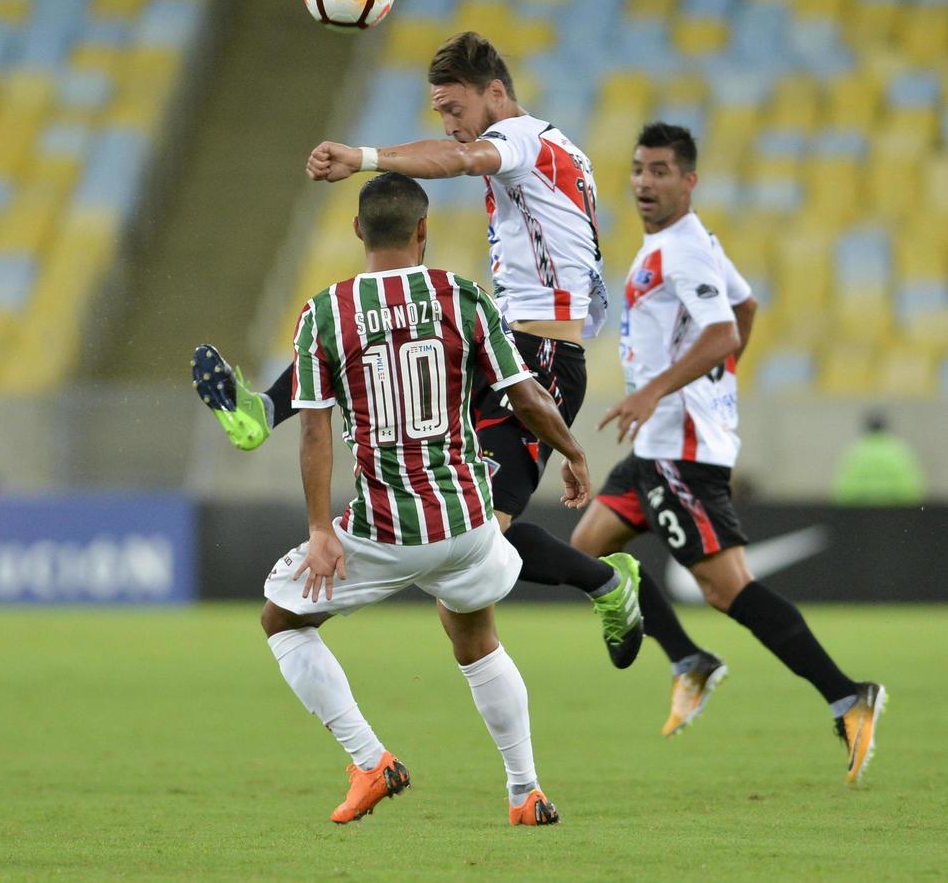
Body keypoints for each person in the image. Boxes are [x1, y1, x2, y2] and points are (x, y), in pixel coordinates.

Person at [196, 32, 643, 667]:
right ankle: (263, 410)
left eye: (454, 109)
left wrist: (366, 156)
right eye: (440, 111)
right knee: (385, 326)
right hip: (515, 338)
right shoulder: (549, 150)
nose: (449, 125)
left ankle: (607, 582)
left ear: (495, 94)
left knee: (478, 530)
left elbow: (459, 162)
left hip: (543, 358)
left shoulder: (525, 141)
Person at [260, 172, 596, 827]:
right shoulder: (461, 296)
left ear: (359, 231)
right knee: (474, 634)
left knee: (281, 620)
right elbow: (526, 394)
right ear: (423, 230)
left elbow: (313, 430)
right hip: (470, 517)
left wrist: (321, 528)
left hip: (385, 526)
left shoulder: (324, 312)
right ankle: (525, 792)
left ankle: (369, 760)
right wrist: (575, 453)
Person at [568, 124, 884, 781]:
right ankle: (688, 659)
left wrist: (662, 391)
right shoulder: (687, 243)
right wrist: (715, 380)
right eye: (637, 170)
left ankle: (848, 695)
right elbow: (744, 306)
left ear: (689, 181)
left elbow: (719, 332)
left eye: (660, 171)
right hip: (657, 447)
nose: (644, 183)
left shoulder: (683, 250)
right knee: (587, 549)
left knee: (727, 590)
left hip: (680, 452)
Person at [830, 412, 927, 505]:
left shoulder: (856, 453)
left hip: (861, 517)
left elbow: (843, 494)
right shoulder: (899, 452)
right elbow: (913, 493)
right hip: (896, 516)